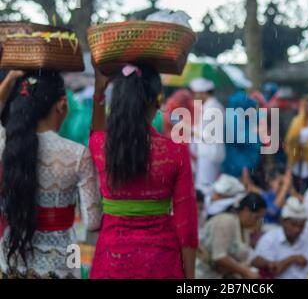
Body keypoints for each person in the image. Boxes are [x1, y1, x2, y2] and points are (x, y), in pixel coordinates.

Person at [89, 64, 198, 279]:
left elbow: (98, 130)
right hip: (161, 265)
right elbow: (187, 227)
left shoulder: (100, 146)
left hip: (111, 262)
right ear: (157, 100)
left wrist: (99, 92)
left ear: (117, 101)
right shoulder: (176, 152)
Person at [0, 70, 101, 278]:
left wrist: (10, 78)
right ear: (62, 103)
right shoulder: (77, 154)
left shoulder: (6, 145)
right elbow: (92, 222)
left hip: (12, 256)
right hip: (60, 260)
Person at [196, 193, 266, 279]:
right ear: (246, 211)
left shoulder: (244, 230)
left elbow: (246, 258)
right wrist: (246, 272)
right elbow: (219, 256)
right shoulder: (226, 221)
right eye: (257, 217)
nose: (257, 222)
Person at [251, 197, 308, 279]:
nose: (297, 230)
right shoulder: (269, 239)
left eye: (301, 226)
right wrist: (293, 259)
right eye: (293, 225)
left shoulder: (305, 240)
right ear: (283, 221)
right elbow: (273, 270)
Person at [189, 78, 225, 198]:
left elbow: (208, 135)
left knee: (205, 188)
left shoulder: (212, 108)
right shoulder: (210, 106)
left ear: (203, 93)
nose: (194, 96)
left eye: (195, 93)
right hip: (209, 153)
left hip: (209, 153)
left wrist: (189, 129)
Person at [222, 90, 261, 178]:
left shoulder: (239, 116)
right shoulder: (233, 118)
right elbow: (240, 138)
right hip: (238, 166)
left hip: (244, 164)